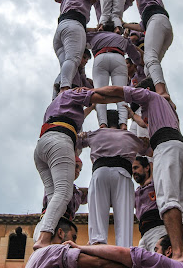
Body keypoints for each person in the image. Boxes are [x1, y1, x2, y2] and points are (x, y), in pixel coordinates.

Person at [91, 80, 183, 266]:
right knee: (182, 206)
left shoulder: (150, 97)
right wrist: (132, 116)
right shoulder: (165, 108)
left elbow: (116, 91)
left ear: (145, 90)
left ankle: (178, 253)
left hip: (165, 148)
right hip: (180, 148)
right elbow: (143, 124)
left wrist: (91, 94)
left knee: (167, 201)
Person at [33, 87, 121, 250]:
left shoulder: (57, 105)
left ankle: (43, 237)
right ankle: (44, 238)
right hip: (59, 140)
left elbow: (78, 116)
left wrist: (91, 108)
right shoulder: (70, 93)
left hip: (42, 144)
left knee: (54, 195)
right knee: (63, 192)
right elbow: (99, 96)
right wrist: (125, 96)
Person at [77, 110, 150, 247]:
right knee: (124, 217)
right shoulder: (129, 136)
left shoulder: (96, 133)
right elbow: (147, 149)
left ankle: (97, 244)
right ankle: (124, 249)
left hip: (100, 173)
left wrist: (83, 133)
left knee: (97, 218)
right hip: (122, 174)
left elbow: (76, 142)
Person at [53, 0, 132, 93]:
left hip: (61, 29)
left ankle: (60, 90)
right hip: (74, 25)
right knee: (73, 59)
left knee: (66, 64)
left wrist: (95, 30)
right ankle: (64, 90)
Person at [86, 23, 142, 129]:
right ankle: (123, 124)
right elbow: (136, 57)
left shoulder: (94, 36)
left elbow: (81, 34)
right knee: (122, 92)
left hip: (100, 57)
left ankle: (102, 124)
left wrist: (95, 29)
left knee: (99, 92)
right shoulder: (121, 38)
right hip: (119, 57)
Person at [27, 217, 126, 268]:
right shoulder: (56, 251)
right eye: (73, 237)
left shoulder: (34, 257)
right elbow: (98, 263)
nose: (74, 242)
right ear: (60, 233)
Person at [64, 233, 183, 267]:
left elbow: (120, 253)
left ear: (168, 251)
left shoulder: (163, 263)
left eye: (156, 249)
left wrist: (82, 248)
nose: (153, 253)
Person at [132, 156, 167, 252]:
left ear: (147, 168)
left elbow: (155, 162)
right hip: (144, 234)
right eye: (132, 169)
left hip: (158, 230)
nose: (133, 172)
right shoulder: (135, 194)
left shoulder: (155, 184)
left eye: (136, 168)